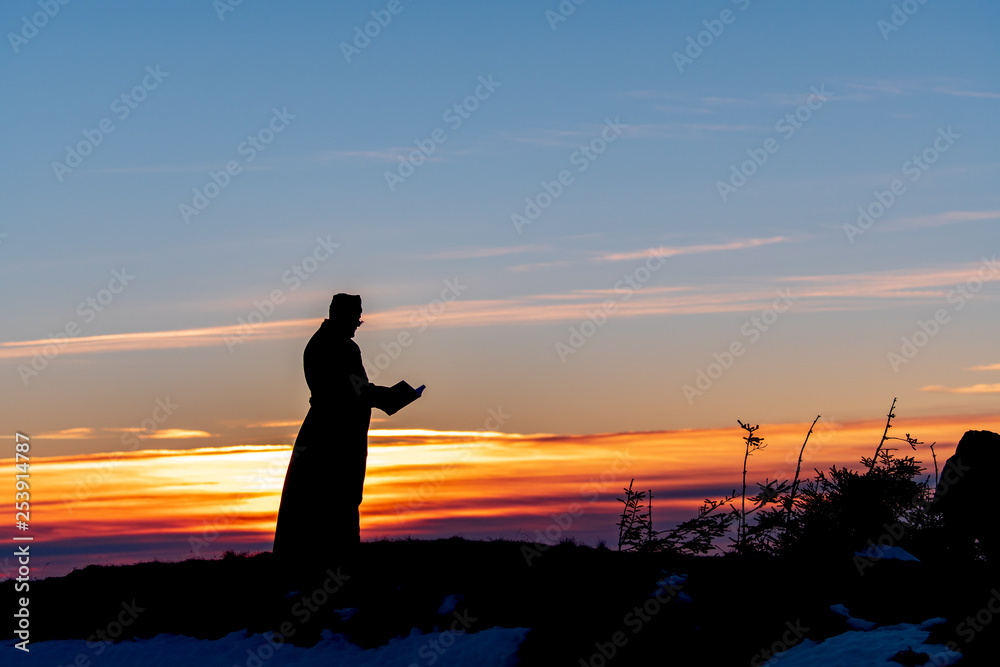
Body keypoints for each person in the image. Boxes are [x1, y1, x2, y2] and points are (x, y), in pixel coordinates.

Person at [272, 293, 403, 569]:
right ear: (341, 316)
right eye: (356, 319)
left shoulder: (328, 343)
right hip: (333, 433)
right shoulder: (335, 347)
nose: (358, 325)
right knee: (334, 495)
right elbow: (352, 389)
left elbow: (354, 388)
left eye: (359, 320)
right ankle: (333, 564)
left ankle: (321, 560)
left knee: (323, 496)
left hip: (332, 429)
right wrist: (390, 397)